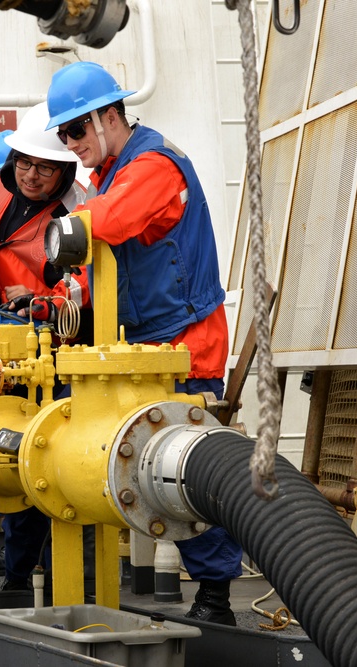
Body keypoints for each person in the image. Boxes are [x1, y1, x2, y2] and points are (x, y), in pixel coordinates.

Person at [46, 61, 240, 625]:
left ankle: (216, 598)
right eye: (64, 135)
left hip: (186, 345)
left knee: (187, 471)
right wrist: (64, 296)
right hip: (145, 348)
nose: (71, 144)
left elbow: (105, 222)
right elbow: (97, 256)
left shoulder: (153, 166)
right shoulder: (109, 174)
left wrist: (68, 232)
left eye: (76, 131)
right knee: (147, 471)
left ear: (110, 116)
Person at [0, 102, 88, 592]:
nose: (32, 175)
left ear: (64, 170)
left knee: (43, 464)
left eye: (44, 167)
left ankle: (26, 578)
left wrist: (44, 299)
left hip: (52, 360)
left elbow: (85, 287)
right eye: (24, 162)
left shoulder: (76, 214)